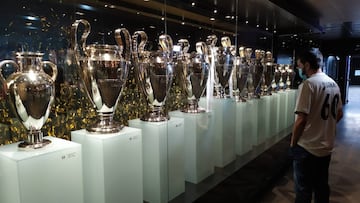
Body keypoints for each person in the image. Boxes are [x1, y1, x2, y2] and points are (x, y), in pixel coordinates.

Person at [290, 49, 343, 203]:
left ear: (307, 65)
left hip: (307, 147)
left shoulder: (308, 85)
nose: (299, 69)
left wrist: (293, 144)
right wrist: (324, 125)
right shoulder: (333, 83)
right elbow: (339, 114)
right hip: (326, 146)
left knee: (303, 190)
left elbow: (301, 119)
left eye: (300, 66)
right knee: (321, 187)